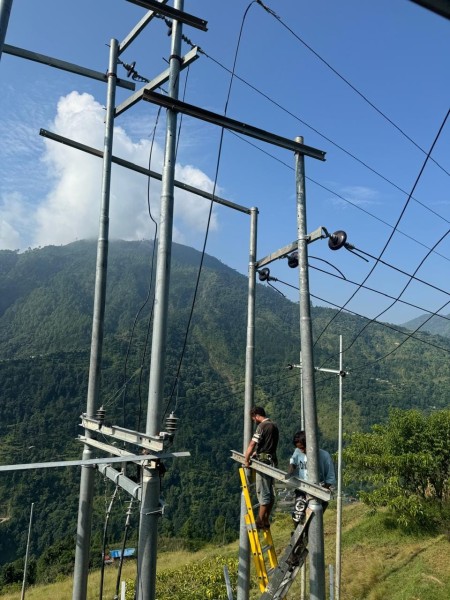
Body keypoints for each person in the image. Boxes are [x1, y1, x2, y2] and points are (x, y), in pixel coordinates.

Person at [288, 430, 336, 525]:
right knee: (298, 514)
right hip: (302, 488)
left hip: (318, 488)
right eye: (299, 448)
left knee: (312, 520)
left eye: (303, 448)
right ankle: (299, 536)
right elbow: (293, 462)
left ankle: (308, 536)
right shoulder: (298, 451)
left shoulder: (324, 456)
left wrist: (320, 491)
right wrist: (289, 473)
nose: (301, 451)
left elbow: (330, 477)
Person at [244, 406, 279, 530]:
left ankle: (259, 520)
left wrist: (246, 459)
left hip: (263, 462)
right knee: (270, 491)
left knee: (263, 491)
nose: (254, 420)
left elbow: (252, 444)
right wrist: (257, 453)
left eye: (253, 418)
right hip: (272, 461)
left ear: (256, 415)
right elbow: (268, 445)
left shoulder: (261, 427)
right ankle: (266, 519)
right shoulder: (274, 425)